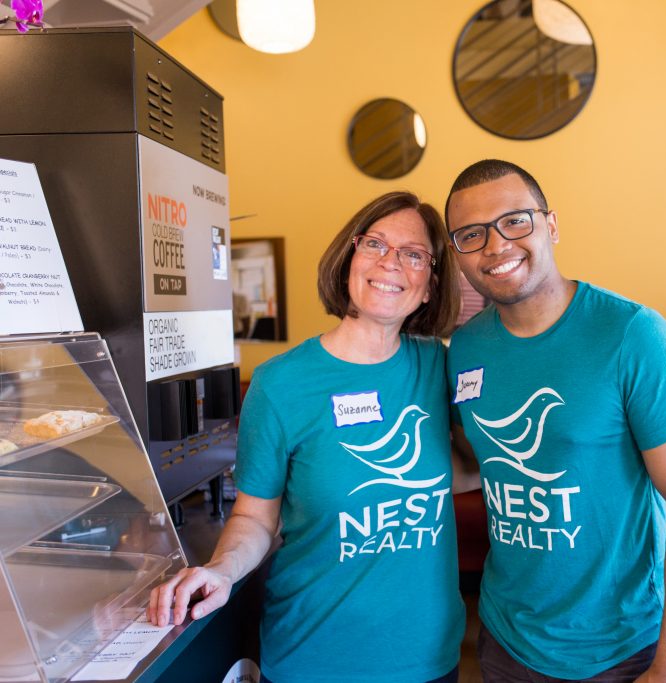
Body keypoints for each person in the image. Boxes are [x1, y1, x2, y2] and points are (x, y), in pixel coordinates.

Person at [148, 191, 469, 683]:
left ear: (429, 286)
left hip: (427, 657)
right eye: (375, 244)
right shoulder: (282, 384)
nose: (390, 262)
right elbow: (256, 515)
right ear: (349, 259)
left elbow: (462, 468)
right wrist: (222, 570)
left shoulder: (439, 367)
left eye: (413, 254)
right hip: (315, 656)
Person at [444, 159, 666, 682]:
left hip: (620, 647)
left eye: (515, 221)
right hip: (505, 638)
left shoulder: (634, 337)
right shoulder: (466, 346)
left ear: (551, 225)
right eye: (471, 235)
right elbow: (478, 464)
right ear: (457, 252)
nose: (496, 245)